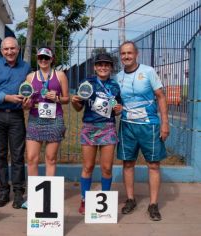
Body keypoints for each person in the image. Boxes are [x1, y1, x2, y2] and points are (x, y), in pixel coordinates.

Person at [116, 41, 169, 221]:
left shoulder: (148, 72)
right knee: (127, 163)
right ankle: (130, 199)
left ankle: (153, 204)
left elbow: (161, 97)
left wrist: (165, 123)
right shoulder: (118, 77)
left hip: (149, 125)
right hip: (127, 125)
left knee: (153, 165)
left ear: (136, 54)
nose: (126, 56)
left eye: (129, 53)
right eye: (123, 53)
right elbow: (116, 102)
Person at [71, 53, 122, 215]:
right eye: (100, 64)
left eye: (107, 64)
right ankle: (85, 200)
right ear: (95, 67)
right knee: (88, 166)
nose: (103, 67)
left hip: (108, 127)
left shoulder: (115, 86)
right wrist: (75, 102)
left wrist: (119, 109)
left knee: (107, 168)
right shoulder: (86, 83)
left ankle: (104, 200)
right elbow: (79, 108)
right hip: (89, 127)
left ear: (111, 67)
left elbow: (118, 106)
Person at [21, 47, 69, 208]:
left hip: (55, 119)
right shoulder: (30, 76)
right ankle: (33, 197)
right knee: (32, 158)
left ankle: (48, 197)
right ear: (37, 59)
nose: (43, 61)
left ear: (52, 59)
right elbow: (26, 102)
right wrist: (26, 105)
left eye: (46, 58)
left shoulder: (60, 75)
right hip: (35, 119)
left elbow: (67, 99)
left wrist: (57, 98)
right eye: (40, 58)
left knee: (51, 159)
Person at [0, 37, 31, 209]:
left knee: (18, 155)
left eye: (13, 48)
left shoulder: (26, 67)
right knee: (0, 154)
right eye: (6, 49)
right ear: (1, 51)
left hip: (16, 115)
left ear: (18, 49)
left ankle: (19, 192)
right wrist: (7, 97)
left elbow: (29, 89)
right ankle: (4, 191)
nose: (10, 52)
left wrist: (27, 101)